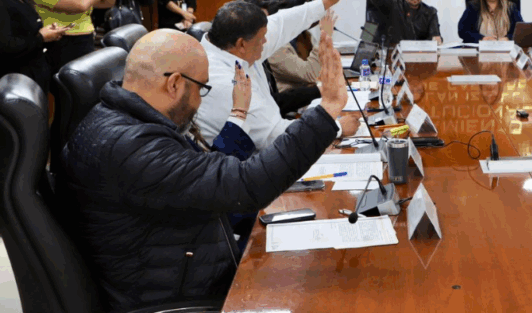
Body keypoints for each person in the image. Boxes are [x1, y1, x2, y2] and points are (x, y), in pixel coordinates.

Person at [58, 24, 358, 312]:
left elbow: (209, 176)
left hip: (188, 268)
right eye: (201, 88)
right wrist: (327, 110)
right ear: (174, 84)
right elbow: (245, 184)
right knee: (335, 286)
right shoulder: (131, 147)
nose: (200, 102)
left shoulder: (119, 120)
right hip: (184, 296)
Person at [195, 0, 347, 150]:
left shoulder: (233, 45)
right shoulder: (224, 82)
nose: (267, 41)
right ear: (242, 44)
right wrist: (336, 126)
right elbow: (277, 137)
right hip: (255, 158)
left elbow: (282, 23)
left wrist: (325, 3)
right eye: (261, 39)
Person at [0, 0, 67, 94]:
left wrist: (48, 34)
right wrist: (41, 37)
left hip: (35, 75)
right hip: (16, 83)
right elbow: (5, 46)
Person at [457, 0, 523, 43]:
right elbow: (462, 31)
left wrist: (508, 38)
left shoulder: (511, 7)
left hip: (505, 46)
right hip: (480, 46)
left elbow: (521, 31)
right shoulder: (473, 7)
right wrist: (482, 38)